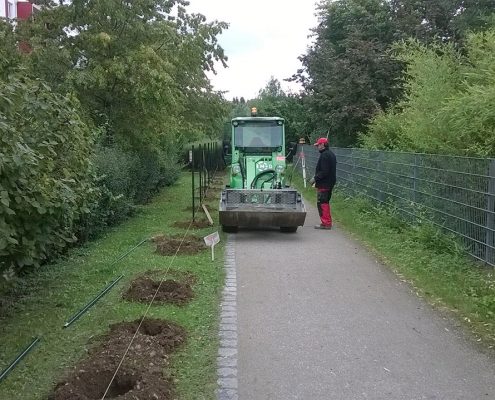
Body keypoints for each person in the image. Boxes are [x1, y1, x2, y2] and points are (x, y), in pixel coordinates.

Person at [309, 137, 336, 229]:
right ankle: (327, 222)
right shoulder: (331, 154)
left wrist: (315, 178)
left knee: (322, 202)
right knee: (325, 202)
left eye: (318, 145)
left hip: (324, 183)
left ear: (323, 145)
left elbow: (324, 171)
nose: (317, 147)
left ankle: (326, 223)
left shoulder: (325, 155)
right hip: (330, 182)